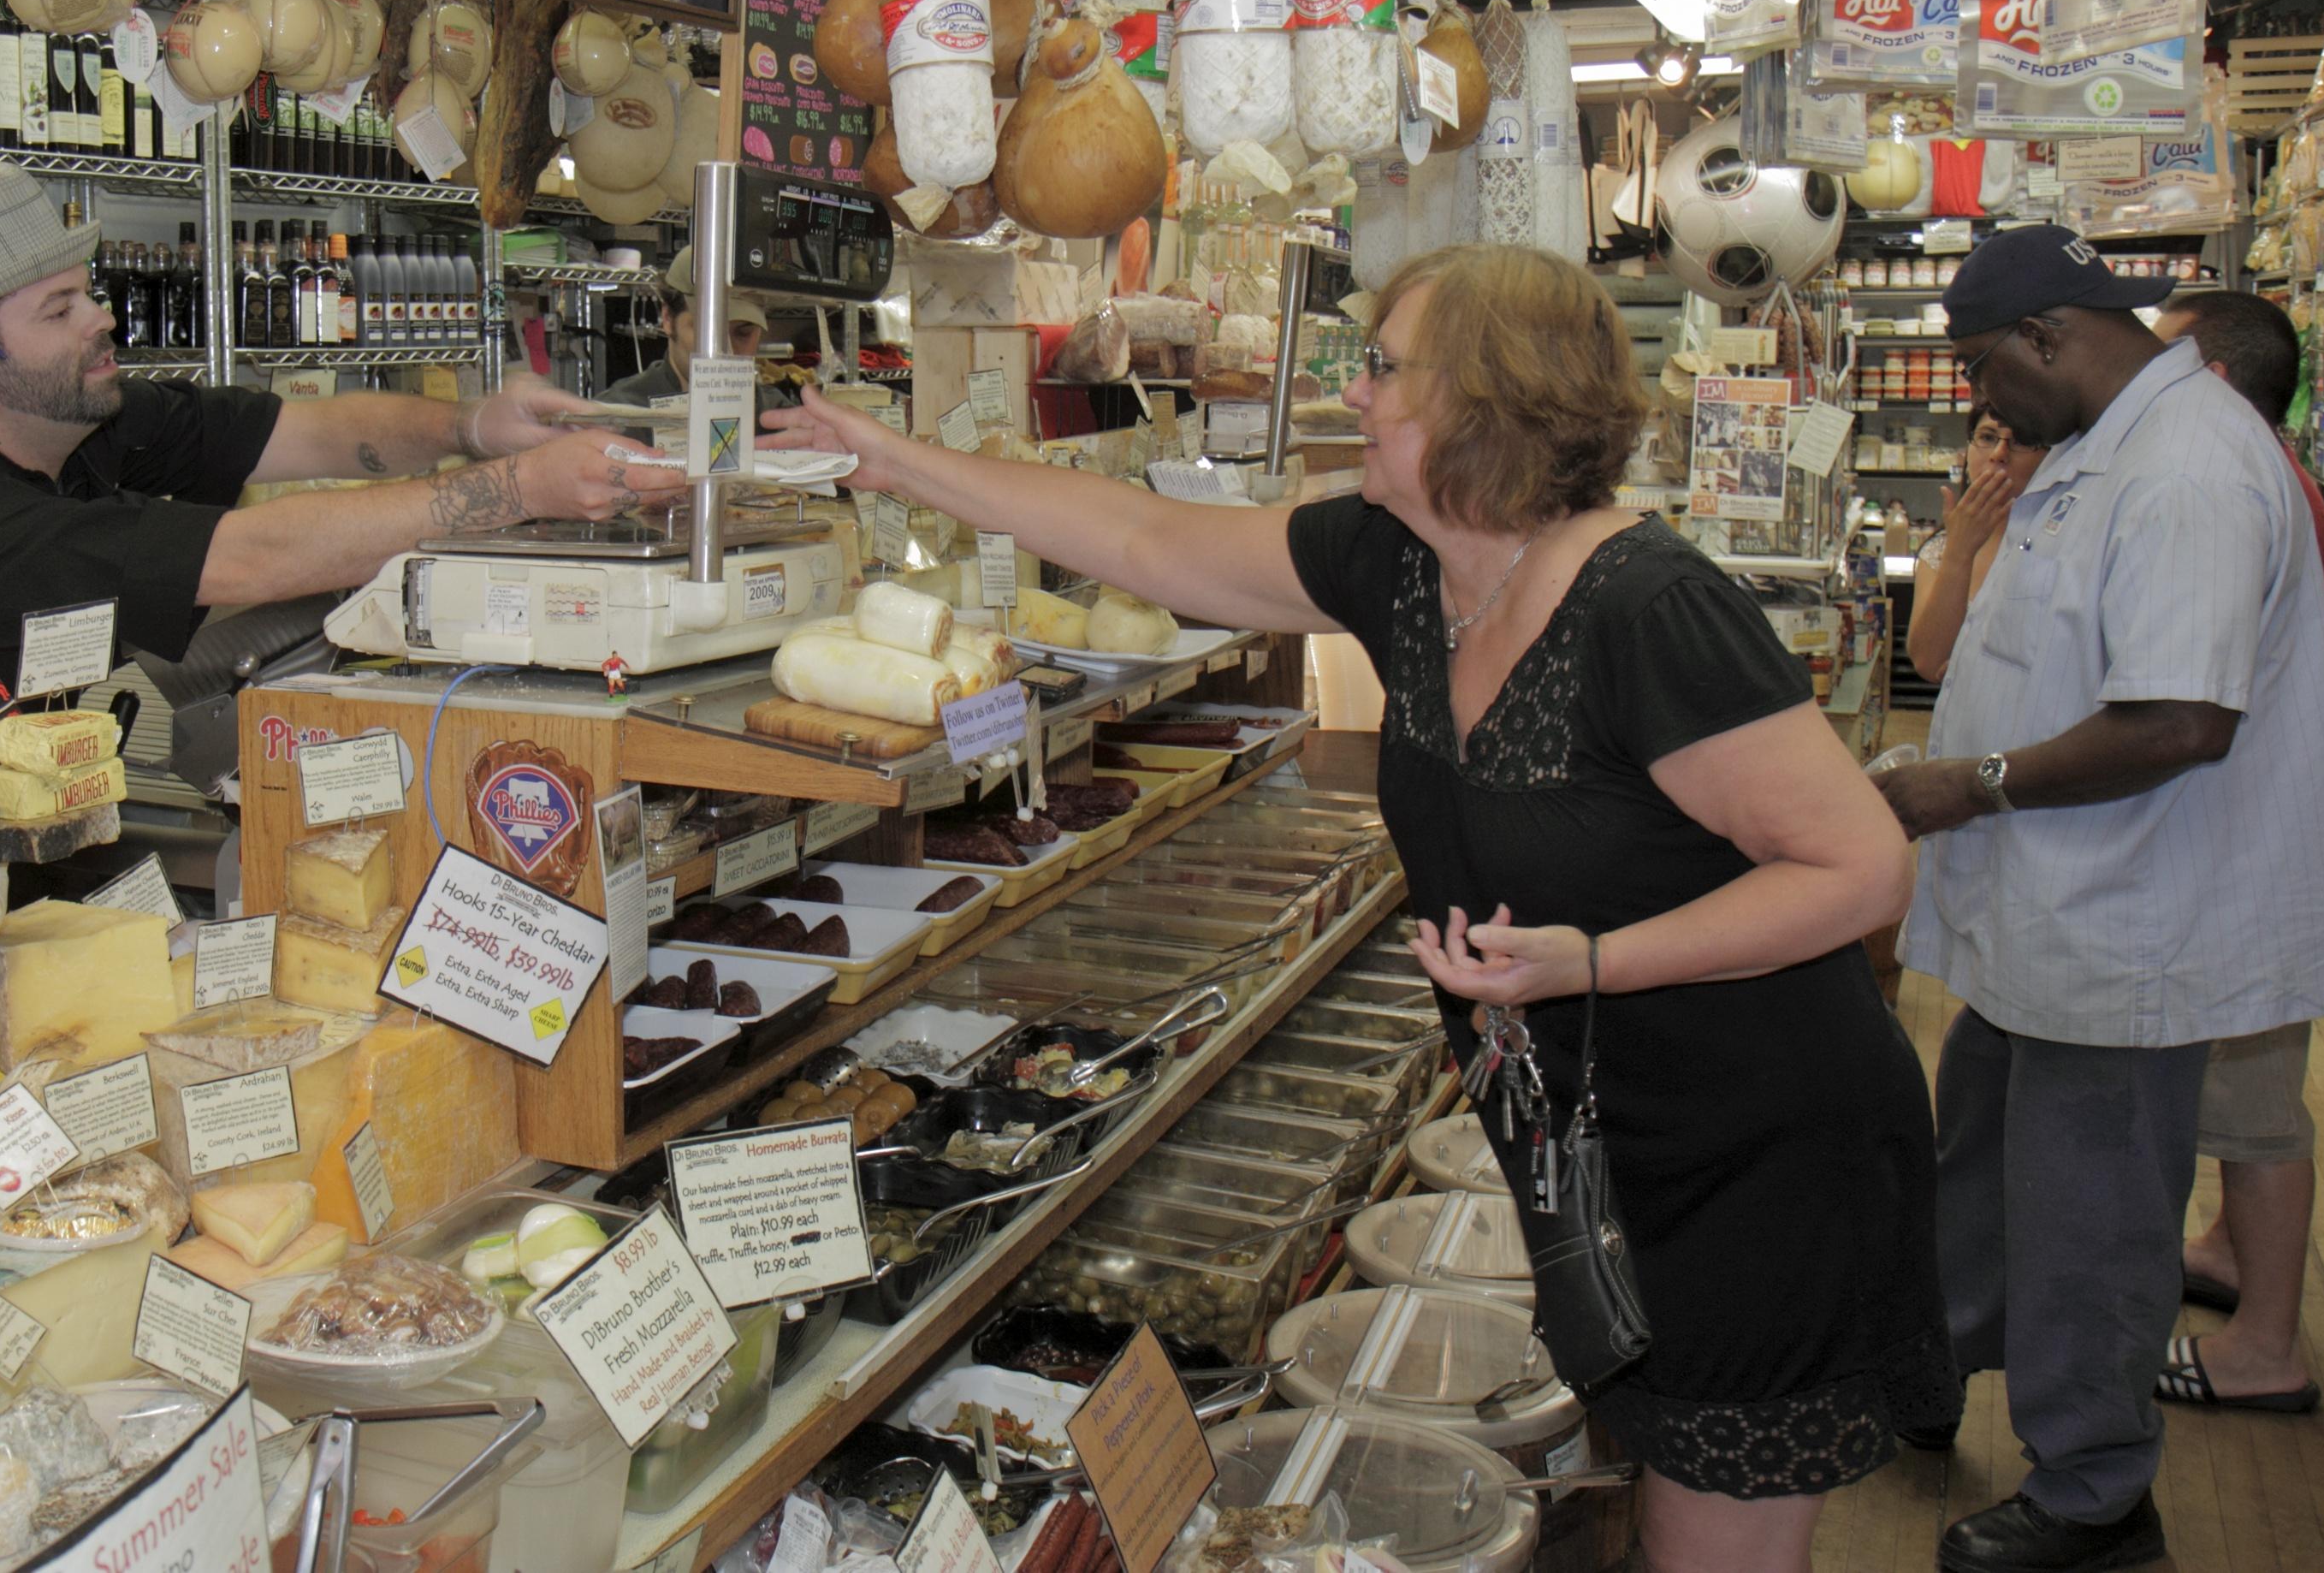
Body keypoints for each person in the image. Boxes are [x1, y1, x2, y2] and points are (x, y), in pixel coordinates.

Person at [764, 242, 1950, 1573]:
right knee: (1639, 1492)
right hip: (1593, 1145)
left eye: (1386, 368)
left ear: (1490, 399)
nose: (1359, 393)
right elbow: (1151, 541)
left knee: (1707, 1542)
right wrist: (895, 458)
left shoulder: (1649, 610)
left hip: (1759, 1157)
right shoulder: (1403, 564)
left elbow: (1861, 867)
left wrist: (1593, 960)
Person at [1875, 229, 2324, 1573]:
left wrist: (1963, 786)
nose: (1977, 399)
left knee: (2091, 1216)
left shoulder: (2191, 465)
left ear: (2045, 336)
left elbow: (2178, 721)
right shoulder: (2100, 442)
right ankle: (1936, 1370)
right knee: (1973, 1159)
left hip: (2127, 924)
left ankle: (2096, 1495)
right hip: (2047, 916)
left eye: (1980, 366)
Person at [0, 164, 685, 697]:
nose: (102, 321)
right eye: (60, 310)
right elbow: (250, 558)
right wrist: (518, 491)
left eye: (87, 292)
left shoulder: (75, 411)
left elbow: (310, 432)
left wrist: (477, 423)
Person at [2149, 288, 2324, 1417]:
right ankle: (2229, 1250)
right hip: (2278, 834)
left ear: (2215, 384)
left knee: (2259, 1099)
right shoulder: (2282, 477)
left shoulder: (2240, 489)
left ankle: (2269, 1344)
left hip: (2264, 846)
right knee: (2248, 1085)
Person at [1906, 408, 2047, 682]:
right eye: (1987, 437)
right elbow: (1928, 662)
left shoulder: (2057, 541)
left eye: (2020, 441)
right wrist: (1960, 549)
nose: (1999, 453)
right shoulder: (1941, 549)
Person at [600, 246, 783, 408]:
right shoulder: (621, 415)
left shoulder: (776, 417)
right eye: (708, 333)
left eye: (743, 333)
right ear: (668, 319)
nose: (727, 352)